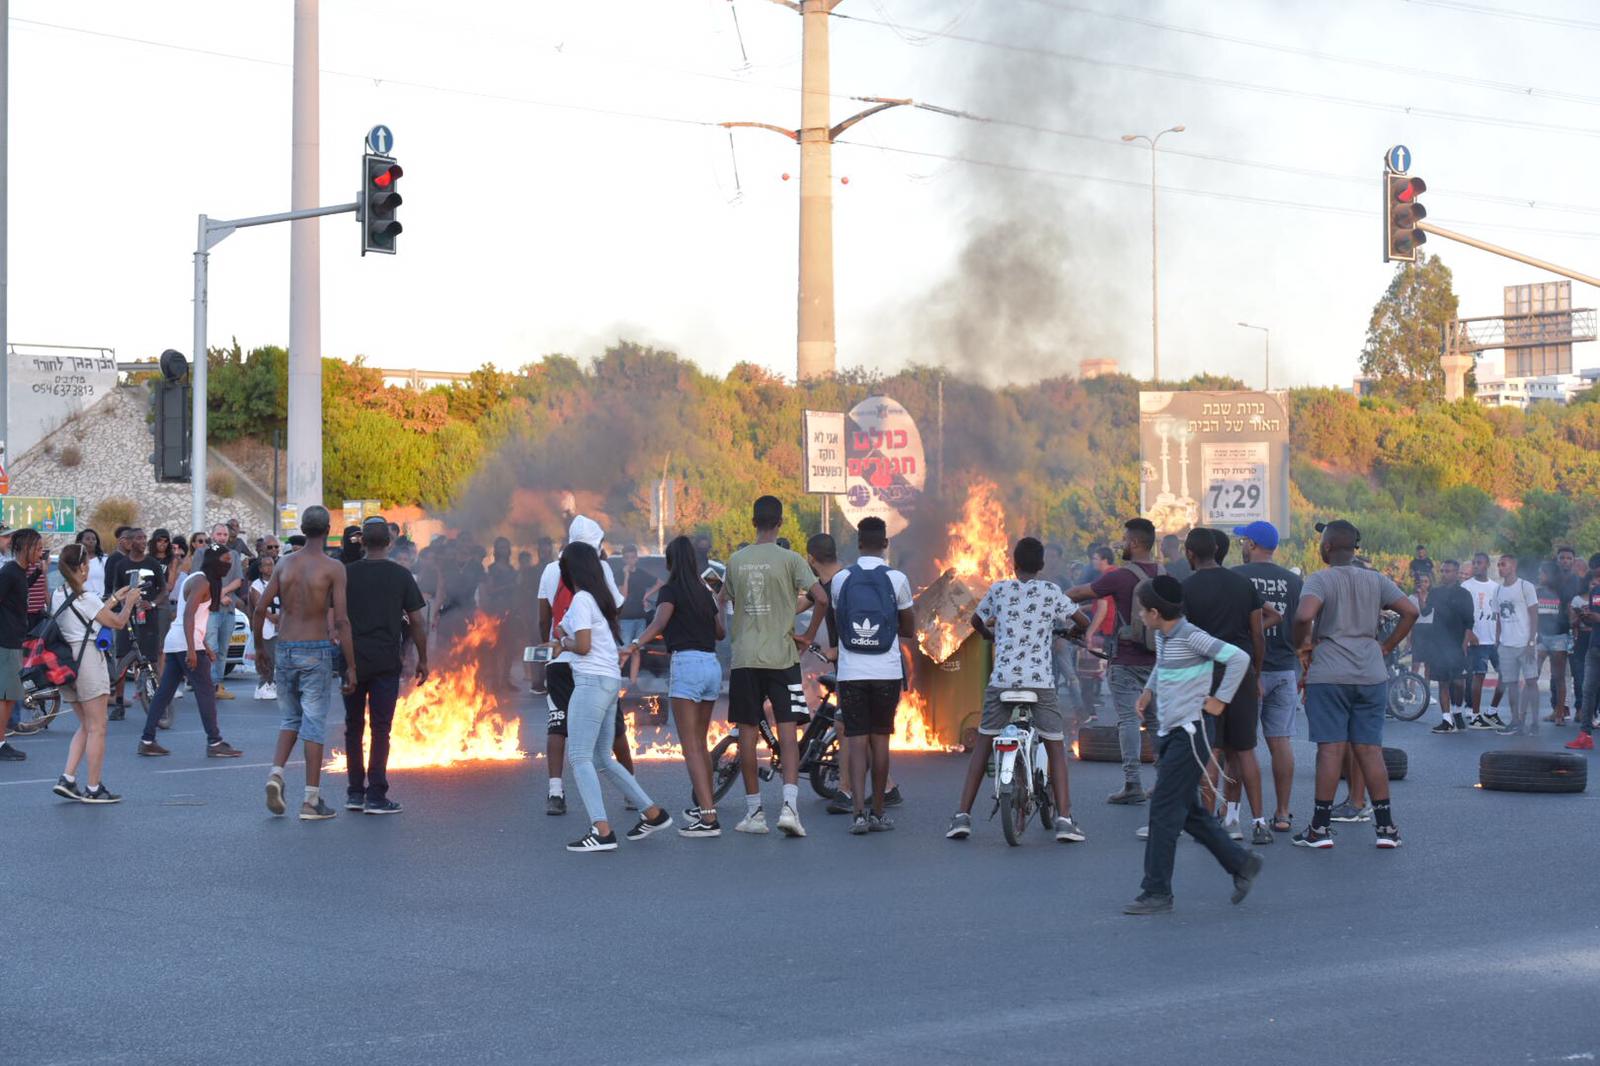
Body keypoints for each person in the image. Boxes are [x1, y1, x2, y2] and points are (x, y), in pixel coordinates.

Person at [1123, 576, 1262, 915]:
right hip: (1172, 732)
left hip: (1192, 733)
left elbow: (1239, 658)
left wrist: (1219, 701)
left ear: (1156, 612)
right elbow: (1161, 664)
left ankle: (1156, 892)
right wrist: (1149, 690)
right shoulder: (1164, 635)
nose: (1140, 616)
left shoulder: (1191, 635)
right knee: (1190, 813)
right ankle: (1241, 864)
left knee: (1163, 812)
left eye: (1143, 611)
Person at [949, 536, 1086, 843]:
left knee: (983, 746)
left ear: (1014, 564)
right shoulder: (1051, 591)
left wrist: (989, 635)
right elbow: (1083, 619)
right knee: (1055, 747)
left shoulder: (999, 589)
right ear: (1041, 565)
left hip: (1002, 682)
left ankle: (962, 816)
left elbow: (975, 620)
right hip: (1040, 683)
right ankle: (1064, 819)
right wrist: (1073, 632)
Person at [1290, 520, 1417, 850]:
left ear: (1328, 547)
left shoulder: (1320, 579)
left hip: (1329, 674)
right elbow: (1410, 611)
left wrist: (1300, 644)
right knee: (1369, 750)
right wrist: (1386, 647)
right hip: (1371, 674)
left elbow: (1304, 616)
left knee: (1330, 749)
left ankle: (1319, 829)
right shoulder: (1376, 580)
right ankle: (1386, 828)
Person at [550, 540, 672, 852]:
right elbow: (576, 634)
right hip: (607, 682)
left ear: (569, 570)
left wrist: (563, 644)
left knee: (579, 757)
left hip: (590, 682)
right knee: (603, 758)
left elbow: (584, 646)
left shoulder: (581, 600)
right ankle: (652, 813)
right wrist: (563, 635)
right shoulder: (596, 599)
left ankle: (601, 830)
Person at [719, 495, 829, 838]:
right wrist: (808, 636)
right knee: (787, 733)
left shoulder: (736, 561)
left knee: (748, 737)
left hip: (746, 659)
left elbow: (722, 602)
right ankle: (790, 809)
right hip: (782, 658)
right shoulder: (791, 559)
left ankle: (754, 814)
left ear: (753, 522)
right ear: (780, 523)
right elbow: (822, 598)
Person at [256, 507, 356, 821]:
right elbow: (340, 619)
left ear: (302, 528)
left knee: (290, 719)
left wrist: (260, 648)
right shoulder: (333, 568)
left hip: (285, 645)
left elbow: (259, 608)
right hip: (315, 648)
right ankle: (311, 799)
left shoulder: (284, 563)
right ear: (328, 529)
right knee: (313, 723)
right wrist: (350, 665)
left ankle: (276, 773)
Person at [622, 535, 725, 836]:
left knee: (690, 746)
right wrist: (716, 603)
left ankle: (708, 818)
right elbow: (720, 632)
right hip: (711, 665)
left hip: (688, 666)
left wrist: (634, 645)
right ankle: (707, 808)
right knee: (701, 743)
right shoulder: (705, 591)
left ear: (670, 562)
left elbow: (659, 623)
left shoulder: (671, 590)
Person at [803, 533, 903, 816]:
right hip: (862, 667)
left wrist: (834, 649)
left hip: (857, 668)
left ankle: (847, 792)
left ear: (810, 558)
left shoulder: (842, 583)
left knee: (848, 728)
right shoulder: (831, 584)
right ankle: (887, 789)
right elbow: (800, 607)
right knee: (858, 730)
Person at [827, 517, 915, 835]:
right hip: (886, 672)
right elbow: (909, 628)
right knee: (880, 741)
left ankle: (858, 815)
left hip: (851, 672)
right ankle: (878, 811)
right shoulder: (897, 579)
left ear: (859, 542)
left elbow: (839, 623)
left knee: (855, 740)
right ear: (885, 544)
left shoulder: (840, 579)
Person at [1181, 528, 1269, 844]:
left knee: (1210, 750)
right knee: (1245, 750)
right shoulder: (1243, 585)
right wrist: (1256, 674)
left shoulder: (1186, 589)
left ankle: (1208, 824)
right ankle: (1259, 822)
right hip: (1241, 671)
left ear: (1190, 553)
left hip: (1204, 676)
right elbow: (1258, 634)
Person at [1066, 518, 1162, 805]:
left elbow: (1079, 593)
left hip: (1126, 660)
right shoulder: (1164, 573)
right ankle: (1164, 781)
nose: (1120, 544)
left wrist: (1052, 601)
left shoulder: (1120, 576)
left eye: (1124, 539)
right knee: (1156, 722)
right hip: (1158, 661)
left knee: (1129, 720)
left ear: (1135, 542)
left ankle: (1132, 783)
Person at [337, 518, 428, 815]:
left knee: (353, 726)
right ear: (389, 543)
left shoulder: (345, 574)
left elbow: (337, 619)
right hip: (386, 661)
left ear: (362, 542)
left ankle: (354, 792)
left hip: (352, 660)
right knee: (381, 728)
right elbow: (417, 621)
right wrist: (423, 658)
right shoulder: (401, 576)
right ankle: (376, 794)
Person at [538, 515, 628, 814]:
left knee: (557, 724)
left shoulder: (551, 570)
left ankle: (555, 792)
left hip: (560, 659)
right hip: (593, 662)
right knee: (612, 727)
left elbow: (544, 615)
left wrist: (551, 647)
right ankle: (631, 790)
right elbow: (616, 606)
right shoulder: (600, 568)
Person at [49, 543, 141, 803]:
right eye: (87, 563)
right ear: (81, 567)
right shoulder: (86, 597)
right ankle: (93, 787)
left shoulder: (59, 592)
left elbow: (88, 613)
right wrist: (129, 603)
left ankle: (67, 778)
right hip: (87, 659)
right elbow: (118, 622)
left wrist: (114, 599)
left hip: (67, 660)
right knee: (98, 727)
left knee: (86, 725)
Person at [137, 546, 244, 759]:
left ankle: (147, 740)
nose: (228, 564)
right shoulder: (202, 581)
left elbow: (194, 617)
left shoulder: (198, 578)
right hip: (186, 642)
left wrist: (204, 645)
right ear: (214, 561)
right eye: (225, 560)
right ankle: (214, 741)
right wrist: (194, 650)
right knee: (205, 693)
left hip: (180, 641)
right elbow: (188, 616)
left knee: (164, 692)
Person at [1233, 521, 1302, 836]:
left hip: (1248, 670)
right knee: (1281, 742)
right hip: (1285, 668)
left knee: (1239, 745)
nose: (1241, 546)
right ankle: (1283, 812)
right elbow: (1302, 622)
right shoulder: (1292, 580)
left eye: (1243, 541)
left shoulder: (1237, 577)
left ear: (1250, 543)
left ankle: (1229, 811)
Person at [0, 529, 44, 762]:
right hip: (6, 641)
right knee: (6, 695)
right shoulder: (9, 572)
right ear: (25, 548)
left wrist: (37, 575)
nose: (41, 552)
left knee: (9, 695)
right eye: (37, 548)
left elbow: (16, 594)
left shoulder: (18, 572)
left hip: (14, 639)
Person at [1491, 554, 1540, 737]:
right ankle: (1515, 721)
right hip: (1506, 645)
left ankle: (1534, 722)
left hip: (1524, 643)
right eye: (1498, 565)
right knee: (1511, 684)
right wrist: (1498, 642)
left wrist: (1531, 641)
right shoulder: (1497, 591)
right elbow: (1498, 619)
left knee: (1531, 681)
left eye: (1503, 564)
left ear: (1513, 565)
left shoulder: (1525, 586)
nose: (1500, 568)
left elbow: (1534, 614)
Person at [1425, 561, 1474, 733]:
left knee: (1459, 683)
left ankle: (1458, 712)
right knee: (1443, 683)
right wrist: (1421, 594)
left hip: (1457, 643)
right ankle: (1447, 720)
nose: (1444, 574)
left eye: (1448, 571)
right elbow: (1424, 612)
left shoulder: (1464, 594)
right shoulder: (1435, 592)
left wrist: (1465, 643)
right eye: (1442, 570)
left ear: (1456, 572)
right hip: (1438, 643)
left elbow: (1470, 622)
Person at [1460, 552, 1505, 730]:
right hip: (1477, 640)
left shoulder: (1496, 587)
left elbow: (1500, 614)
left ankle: (1492, 712)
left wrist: (1501, 636)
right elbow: (1462, 613)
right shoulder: (1466, 586)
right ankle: (1475, 716)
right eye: (1474, 562)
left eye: (1479, 562)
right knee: (1479, 676)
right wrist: (1468, 634)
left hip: (1495, 640)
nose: (1476, 565)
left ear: (1487, 565)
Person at [205, 523, 246, 701]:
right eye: (219, 534)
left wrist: (222, 592)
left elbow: (238, 580)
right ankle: (208, 685)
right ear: (212, 535)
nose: (222, 537)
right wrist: (218, 596)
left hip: (228, 610)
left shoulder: (234, 555)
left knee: (222, 650)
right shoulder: (203, 553)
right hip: (209, 609)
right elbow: (201, 578)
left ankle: (218, 685)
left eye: (225, 534)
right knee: (211, 648)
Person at [1567, 556, 1600, 751]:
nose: (1594, 571)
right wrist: (1583, 617)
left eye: (1596, 568)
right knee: (1588, 691)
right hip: (1594, 647)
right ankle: (1585, 735)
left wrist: (1596, 616)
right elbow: (1593, 620)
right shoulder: (1595, 591)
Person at [1535, 560, 1572, 726]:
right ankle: (1523, 713)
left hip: (1559, 638)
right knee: (1532, 674)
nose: (1539, 576)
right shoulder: (1538, 592)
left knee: (1558, 677)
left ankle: (1559, 714)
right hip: (1541, 637)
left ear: (1549, 575)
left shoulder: (1563, 593)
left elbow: (1569, 616)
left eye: (1542, 572)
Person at [479, 536, 518, 690]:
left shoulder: (512, 569)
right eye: (501, 547)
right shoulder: (493, 569)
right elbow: (490, 590)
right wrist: (509, 586)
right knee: (495, 647)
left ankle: (506, 679)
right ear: (496, 550)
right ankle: (495, 681)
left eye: (506, 547)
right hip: (496, 611)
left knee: (510, 647)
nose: (504, 550)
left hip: (511, 611)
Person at [616, 544, 650, 690]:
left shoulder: (642, 573)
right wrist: (626, 576)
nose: (630, 560)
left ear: (636, 558)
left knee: (636, 650)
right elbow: (622, 595)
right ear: (623, 559)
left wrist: (646, 596)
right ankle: (615, 680)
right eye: (627, 558)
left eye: (633, 557)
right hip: (625, 618)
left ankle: (633, 682)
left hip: (640, 617)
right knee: (624, 650)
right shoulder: (619, 574)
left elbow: (660, 583)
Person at [248, 553, 280, 701]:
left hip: (278, 625)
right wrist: (270, 617)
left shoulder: (278, 582)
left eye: (272, 564)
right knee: (265, 657)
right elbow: (257, 605)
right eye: (266, 565)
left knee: (274, 657)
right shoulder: (256, 585)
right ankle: (262, 686)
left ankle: (271, 683)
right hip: (265, 625)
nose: (270, 568)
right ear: (260, 568)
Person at [74, 529, 107, 603]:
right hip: (82, 601)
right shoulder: (75, 561)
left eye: (94, 539)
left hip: (102, 602)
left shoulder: (104, 560)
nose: (91, 541)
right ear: (80, 542)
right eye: (87, 539)